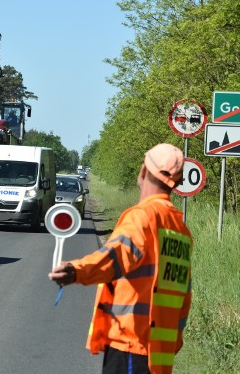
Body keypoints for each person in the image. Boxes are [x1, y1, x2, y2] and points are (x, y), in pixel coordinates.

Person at [49, 143, 192, 374]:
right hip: (160, 355)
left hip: (131, 345)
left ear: (144, 171)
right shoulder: (180, 229)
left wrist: (77, 270)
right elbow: (184, 295)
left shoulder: (142, 218)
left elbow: (116, 256)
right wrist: (174, 342)